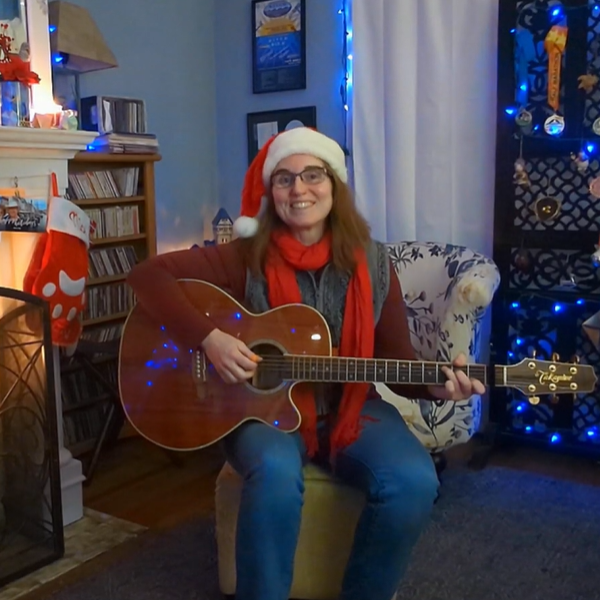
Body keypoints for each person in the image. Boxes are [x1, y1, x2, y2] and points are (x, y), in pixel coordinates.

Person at [127, 127, 486, 600]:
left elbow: (397, 362)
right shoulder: (243, 256)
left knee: (415, 480)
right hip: (261, 411)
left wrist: (438, 387)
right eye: (284, 178)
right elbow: (146, 276)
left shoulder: (375, 263)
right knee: (275, 473)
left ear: (334, 185)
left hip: (352, 407)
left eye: (312, 175)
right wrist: (210, 340)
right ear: (271, 192)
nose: (299, 189)